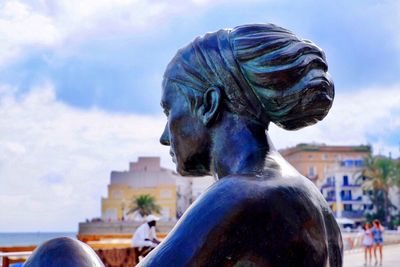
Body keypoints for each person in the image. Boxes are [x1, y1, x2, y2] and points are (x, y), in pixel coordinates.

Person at [138, 24, 342, 266]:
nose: (164, 137)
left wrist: (80, 255)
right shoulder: (312, 198)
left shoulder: (238, 196)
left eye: (169, 111)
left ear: (209, 104)